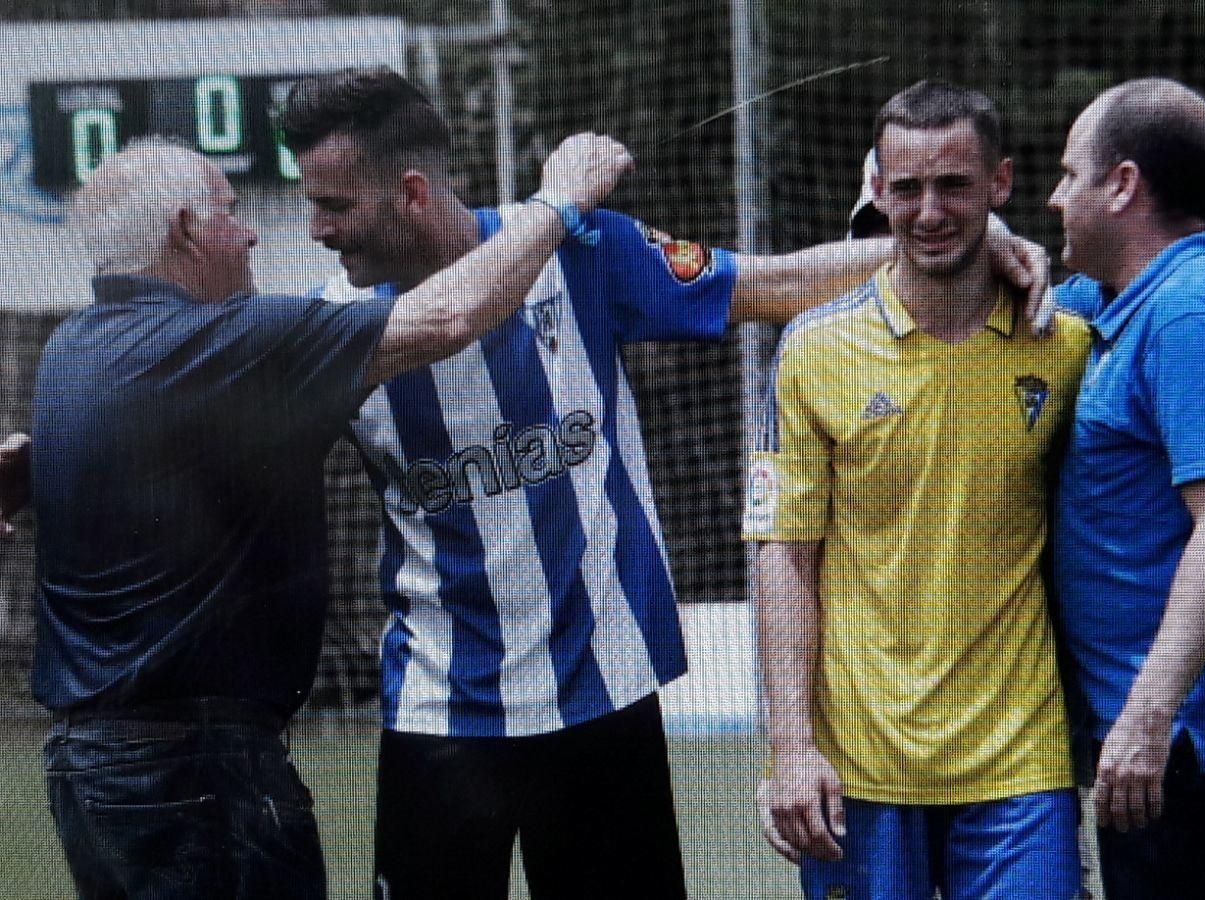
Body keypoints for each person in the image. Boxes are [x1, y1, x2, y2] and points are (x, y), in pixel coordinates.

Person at [276, 66, 1053, 900]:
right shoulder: (326, 330)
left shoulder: (587, 251)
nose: (317, 229)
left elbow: (774, 282)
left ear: (412, 191)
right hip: (438, 717)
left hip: (605, 699)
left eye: (335, 206)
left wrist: (950, 253)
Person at [31, 132, 633, 899]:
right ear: (187, 230)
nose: (251, 233)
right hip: (199, 773)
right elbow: (449, 316)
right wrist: (562, 199)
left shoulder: (70, 350)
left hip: (92, 774)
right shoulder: (221, 344)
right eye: (232, 210)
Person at [745, 79, 1092, 900]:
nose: (929, 210)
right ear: (878, 192)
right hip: (859, 769)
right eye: (906, 188)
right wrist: (792, 746)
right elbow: (783, 555)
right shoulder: (812, 352)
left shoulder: (1070, 344)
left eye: (954, 185)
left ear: (1000, 184)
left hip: (1022, 760)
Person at [1046, 77, 1205, 900]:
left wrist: (1148, 718)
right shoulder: (1128, 297)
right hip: (1162, 745)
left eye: (1068, 175)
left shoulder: (1192, 311)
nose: (1054, 198)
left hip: (1192, 747)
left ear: (1122, 185)